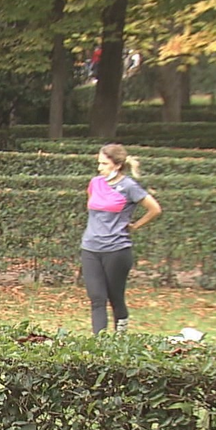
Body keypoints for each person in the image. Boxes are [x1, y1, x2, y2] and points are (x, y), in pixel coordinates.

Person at [80, 143, 161, 334]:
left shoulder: (129, 186)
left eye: (104, 164)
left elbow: (154, 209)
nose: (100, 168)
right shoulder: (95, 183)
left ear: (116, 165)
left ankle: (120, 338)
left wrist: (134, 226)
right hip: (91, 248)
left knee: (115, 297)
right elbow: (91, 205)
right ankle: (100, 343)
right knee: (97, 298)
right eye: (99, 163)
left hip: (117, 249)